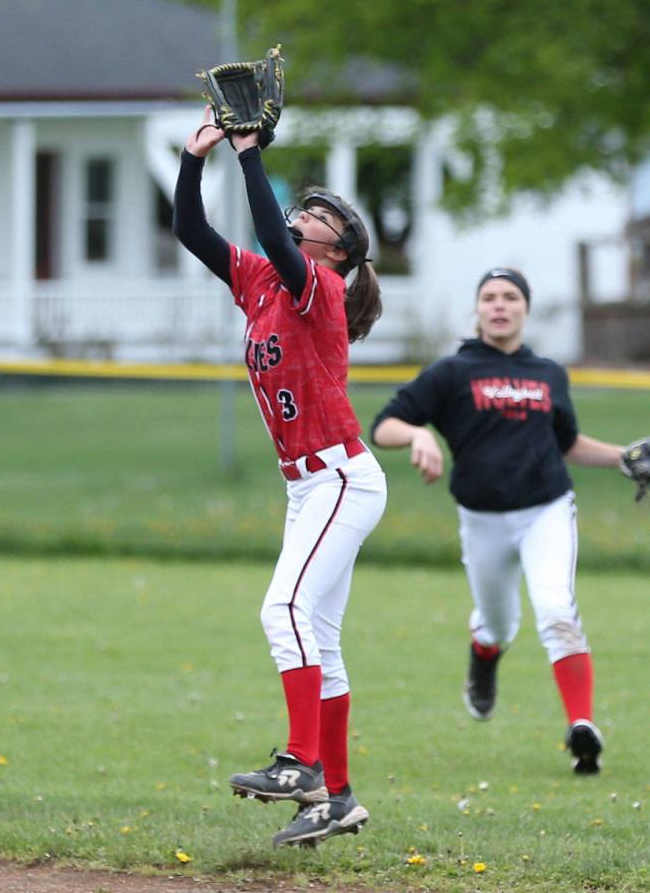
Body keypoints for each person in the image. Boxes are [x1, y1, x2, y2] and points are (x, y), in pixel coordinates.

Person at [173, 107, 387, 847]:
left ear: (341, 249)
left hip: (339, 478)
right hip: (310, 486)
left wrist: (250, 154)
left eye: (320, 215)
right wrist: (195, 157)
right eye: (307, 207)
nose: (304, 216)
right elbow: (193, 234)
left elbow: (269, 231)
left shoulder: (319, 286)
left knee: (282, 612)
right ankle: (338, 796)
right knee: (318, 637)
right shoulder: (265, 281)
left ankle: (303, 764)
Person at [370, 267, 630, 776]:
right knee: (498, 622)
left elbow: (566, 444)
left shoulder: (549, 373)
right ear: (477, 309)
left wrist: (623, 457)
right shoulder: (452, 372)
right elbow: (384, 425)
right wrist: (418, 436)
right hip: (483, 517)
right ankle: (483, 653)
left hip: (546, 509)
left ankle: (582, 727)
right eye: (488, 296)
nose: (499, 305)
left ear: (525, 308)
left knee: (556, 608)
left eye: (510, 296)